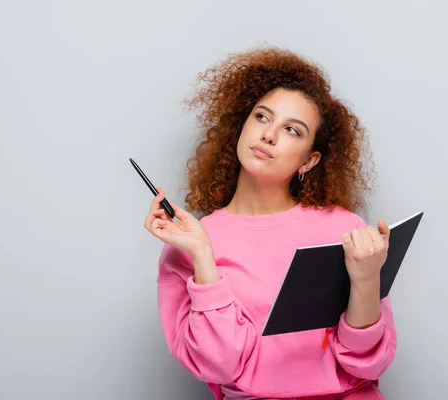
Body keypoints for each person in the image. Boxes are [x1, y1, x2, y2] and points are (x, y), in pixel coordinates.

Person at [144, 46, 396, 400]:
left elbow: (367, 365)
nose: (269, 135)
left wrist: (367, 278)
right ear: (241, 127)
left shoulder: (345, 228)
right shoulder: (189, 245)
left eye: (292, 130)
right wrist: (202, 253)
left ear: (309, 160)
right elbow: (219, 365)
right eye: (262, 117)